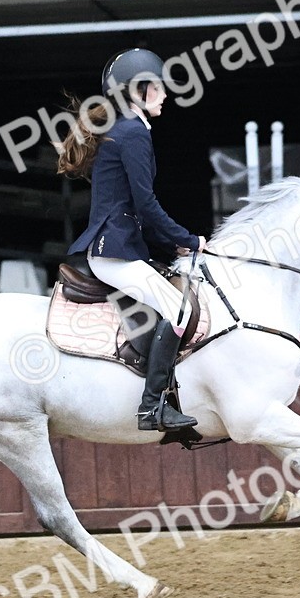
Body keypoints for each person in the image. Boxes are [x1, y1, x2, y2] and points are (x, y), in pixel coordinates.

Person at [58, 48, 206, 432]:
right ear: (137, 91)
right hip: (113, 252)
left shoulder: (125, 130)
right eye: (157, 87)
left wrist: (170, 245)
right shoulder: (133, 133)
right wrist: (188, 239)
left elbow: (133, 209)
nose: (165, 94)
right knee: (180, 311)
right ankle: (152, 406)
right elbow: (146, 203)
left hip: (119, 246)